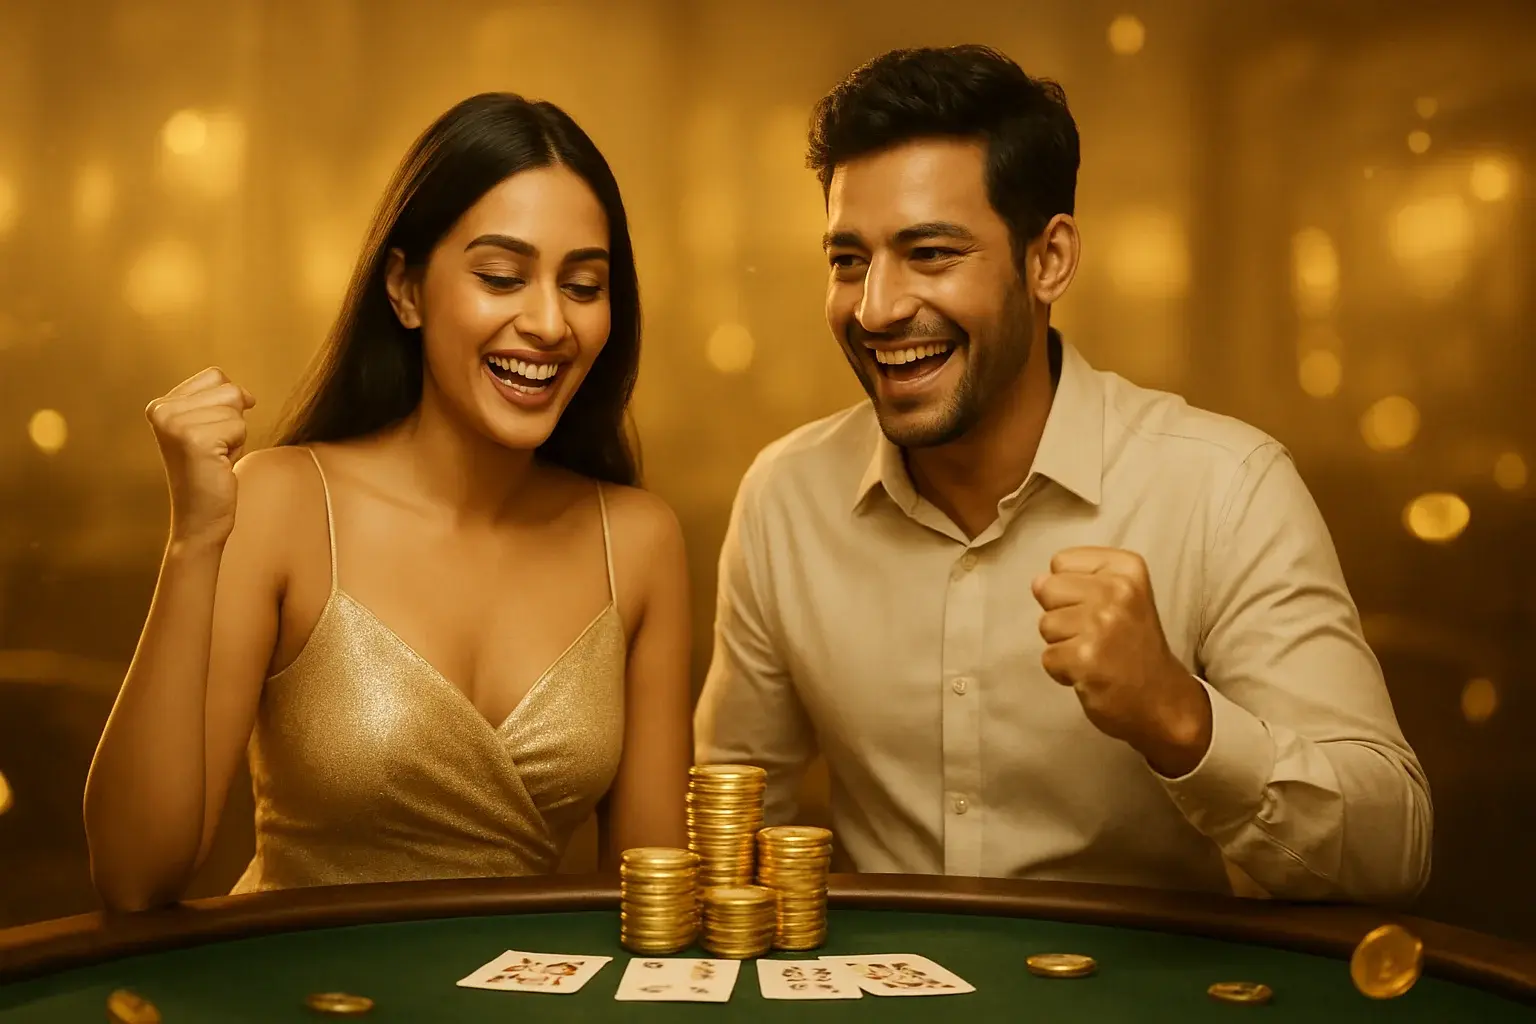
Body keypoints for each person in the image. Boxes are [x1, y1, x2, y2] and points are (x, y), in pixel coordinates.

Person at [693, 45, 1432, 903]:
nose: (877, 308)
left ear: (1048, 261)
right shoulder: (785, 499)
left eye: (930, 253)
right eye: (848, 259)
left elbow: (1392, 855)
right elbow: (734, 828)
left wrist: (1182, 719)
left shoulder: (1225, 486)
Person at [84, 93, 692, 911]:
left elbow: (649, 908)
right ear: (404, 289)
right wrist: (194, 539)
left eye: (583, 285)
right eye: (501, 277)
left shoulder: (640, 541)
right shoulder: (283, 502)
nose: (550, 322)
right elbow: (133, 877)